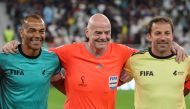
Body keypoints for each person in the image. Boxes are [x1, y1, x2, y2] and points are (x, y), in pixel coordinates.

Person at [1, 13, 187, 109]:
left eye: (107, 32)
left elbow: (151, 54)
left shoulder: (123, 53)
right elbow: (37, 53)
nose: (103, 37)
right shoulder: (68, 52)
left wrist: (174, 46)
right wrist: (16, 45)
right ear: (87, 32)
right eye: (98, 32)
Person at [124, 16, 190, 109]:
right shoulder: (134, 60)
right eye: (158, 33)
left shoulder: (185, 60)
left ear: (172, 36)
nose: (163, 38)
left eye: (167, 33)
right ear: (149, 36)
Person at [0, 14, 62, 109]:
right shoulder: (5, 59)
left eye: (41, 31)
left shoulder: (52, 60)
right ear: (21, 33)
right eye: (32, 30)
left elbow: (59, 81)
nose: (37, 35)